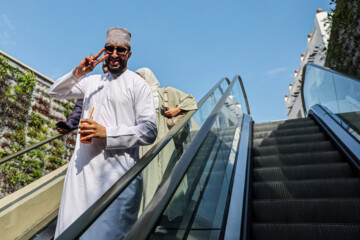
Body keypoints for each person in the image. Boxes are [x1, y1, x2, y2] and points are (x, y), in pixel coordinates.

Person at [49, 27, 157, 239]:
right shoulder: (92, 83)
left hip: (118, 177)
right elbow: (55, 92)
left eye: (121, 50)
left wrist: (107, 133)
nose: (115, 54)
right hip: (81, 175)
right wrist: (80, 71)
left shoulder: (138, 85)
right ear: (104, 50)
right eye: (110, 49)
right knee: (70, 232)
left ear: (129, 54)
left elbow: (149, 131)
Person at [135, 67, 197, 219]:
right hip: (144, 142)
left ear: (148, 77)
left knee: (168, 170)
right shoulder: (136, 98)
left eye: (140, 78)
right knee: (148, 175)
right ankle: (149, 214)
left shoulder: (165, 92)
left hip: (165, 137)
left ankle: (171, 211)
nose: (137, 82)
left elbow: (191, 101)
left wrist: (177, 110)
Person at [56, 62, 108, 134]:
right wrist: (68, 125)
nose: (109, 69)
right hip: (91, 135)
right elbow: (79, 108)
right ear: (102, 68)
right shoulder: (92, 86)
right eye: (105, 66)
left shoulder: (126, 86)